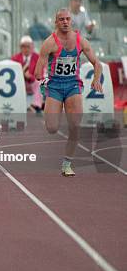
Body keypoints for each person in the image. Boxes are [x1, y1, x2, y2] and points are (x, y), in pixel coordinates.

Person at [34, 9, 102, 177]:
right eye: (61, 19)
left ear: (71, 21)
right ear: (56, 22)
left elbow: (96, 62)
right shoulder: (49, 43)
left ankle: (67, 164)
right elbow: (37, 71)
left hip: (73, 85)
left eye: (68, 19)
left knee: (75, 127)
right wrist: (43, 80)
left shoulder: (80, 40)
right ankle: (52, 112)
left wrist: (96, 79)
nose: (65, 22)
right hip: (55, 86)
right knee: (52, 128)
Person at [11, 36, 42, 112]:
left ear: (32, 47)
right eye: (23, 46)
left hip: (32, 82)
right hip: (19, 82)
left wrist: (30, 77)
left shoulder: (38, 58)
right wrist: (22, 74)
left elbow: (40, 74)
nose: (26, 49)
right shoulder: (15, 58)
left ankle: (36, 105)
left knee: (39, 83)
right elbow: (12, 74)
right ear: (20, 47)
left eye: (28, 46)